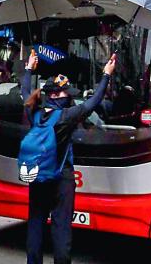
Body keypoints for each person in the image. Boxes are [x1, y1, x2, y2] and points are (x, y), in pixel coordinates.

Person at [22, 52, 116, 264]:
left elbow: (24, 91)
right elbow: (94, 101)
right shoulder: (67, 116)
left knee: (35, 223)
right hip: (62, 178)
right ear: (58, 96)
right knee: (61, 227)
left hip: (37, 176)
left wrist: (28, 69)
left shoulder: (33, 112)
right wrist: (106, 75)